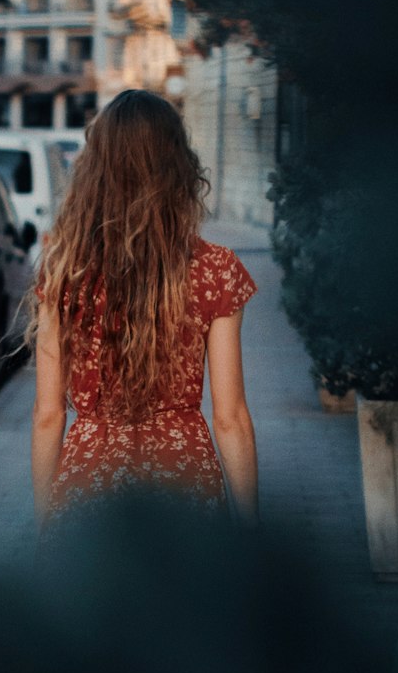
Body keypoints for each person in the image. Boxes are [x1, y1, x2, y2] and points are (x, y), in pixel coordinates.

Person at [29, 89, 259, 536]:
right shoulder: (216, 271)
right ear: (178, 168)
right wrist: (251, 531)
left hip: (87, 485)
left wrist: (44, 525)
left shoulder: (64, 271)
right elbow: (230, 418)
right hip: (184, 482)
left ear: (95, 172)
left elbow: (47, 414)